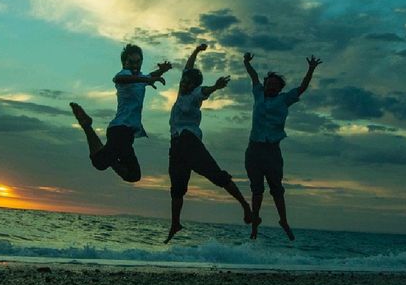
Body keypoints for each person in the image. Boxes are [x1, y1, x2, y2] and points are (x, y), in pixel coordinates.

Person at [165, 43, 254, 243]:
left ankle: (245, 206)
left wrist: (215, 86)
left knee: (217, 176)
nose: (184, 84)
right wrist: (196, 51)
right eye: (183, 81)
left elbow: (204, 91)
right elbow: (188, 68)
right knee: (177, 188)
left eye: (187, 83)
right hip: (176, 147)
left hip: (190, 143)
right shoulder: (181, 93)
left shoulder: (195, 95)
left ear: (193, 85)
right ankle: (175, 223)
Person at [243, 52, 322, 240]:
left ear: (279, 88)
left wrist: (310, 69)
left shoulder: (285, 99)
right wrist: (246, 62)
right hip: (254, 149)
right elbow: (253, 76)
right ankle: (255, 225)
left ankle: (283, 220)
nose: (270, 87)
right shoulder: (258, 94)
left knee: (276, 188)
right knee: (256, 189)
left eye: (274, 85)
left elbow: (302, 87)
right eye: (268, 84)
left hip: (272, 150)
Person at [70, 44, 171, 183]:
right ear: (124, 63)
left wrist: (161, 71)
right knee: (100, 163)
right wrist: (146, 80)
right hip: (120, 130)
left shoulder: (140, 77)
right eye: (131, 62)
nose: (135, 65)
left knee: (133, 175)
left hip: (127, 133)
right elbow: (120, 79)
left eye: (138, 62)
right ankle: (87, 125)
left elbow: (149, 76)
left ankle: (109, 158)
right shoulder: (124, 75)